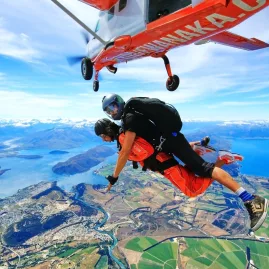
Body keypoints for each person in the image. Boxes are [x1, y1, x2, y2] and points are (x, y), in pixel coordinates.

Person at [99, 94, 268, 232]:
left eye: (112, 107)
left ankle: (251, 200)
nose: (112, 112)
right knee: (198, 170)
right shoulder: (132, 118)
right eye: (108, 111)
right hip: (171, 142)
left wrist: (114, 177)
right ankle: (214, 157)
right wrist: (194, 144)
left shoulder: (129, 119)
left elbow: (126, 152)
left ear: (119, 103)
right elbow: (156, 141)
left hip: (171, 143)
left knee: (205, 170)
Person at [95, 118, 243, 198]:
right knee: (191, 175)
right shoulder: (126, 135)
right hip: (165, 164)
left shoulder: (123, 139)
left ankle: (222, 160)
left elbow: (144, 152)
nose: (103, 139)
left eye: (102, 136)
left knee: (193, 190)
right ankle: (196, 149)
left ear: (107, 130)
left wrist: (114, 177)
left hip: (167, 167)